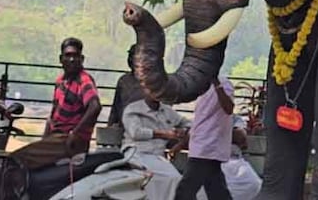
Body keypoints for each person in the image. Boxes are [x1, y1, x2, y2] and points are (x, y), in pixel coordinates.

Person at [11, 37, 102, 170]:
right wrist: (43, 140)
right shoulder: (60, 81)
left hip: (69, 141)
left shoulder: (84, 80)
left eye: (75, 56)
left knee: (18, 159)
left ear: (82, 59)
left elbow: (95, 106)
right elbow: (53, 116)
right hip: (56, 139)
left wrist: (75, 134)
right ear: (61, 59)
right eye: (68, 55)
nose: (72, 59)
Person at [175, 77, 236, 200]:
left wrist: (217, 84)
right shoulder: (201, 85)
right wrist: (181, 144)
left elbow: (229, 108)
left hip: (208, 146)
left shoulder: (224, 84)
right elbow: (200, 120)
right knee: (216, 190)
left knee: (185, 190)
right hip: (201, 145)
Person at [121, 94, 192, 200]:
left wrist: (183, 131)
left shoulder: (166, 111)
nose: (157, 92)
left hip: (157, 156)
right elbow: (135, 133)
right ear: (145, 89)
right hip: (136, 152)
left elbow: (189, 124)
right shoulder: (133, 109)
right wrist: (165, 134)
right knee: (152, 178)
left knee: (174, 179)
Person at [198, 116, 262, 200]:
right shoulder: (206, 119)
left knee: (252, 183)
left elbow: (241, 138)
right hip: (217, 161)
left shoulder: (236, 120)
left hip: (232, 161)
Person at [108, 44, 146, 127]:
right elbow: (115, 108)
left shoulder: (154, 82)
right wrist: (110, 126)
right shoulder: (124, 81)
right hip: (125, 129)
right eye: (132, 57)